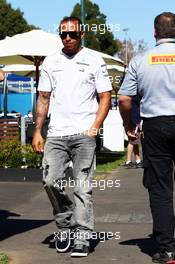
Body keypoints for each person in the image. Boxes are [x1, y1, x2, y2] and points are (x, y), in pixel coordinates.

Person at [32, 16, 112, 257]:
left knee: (82, 187)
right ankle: (65, 225)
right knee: (50, 181)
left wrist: (94, 128)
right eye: (63, 34)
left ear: (82, 34)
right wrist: (38, 130)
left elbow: (106, 96)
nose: (67, 38)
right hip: (56, 133)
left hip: (84, 134)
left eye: (72, 34)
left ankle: (83, 237)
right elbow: (44, 97)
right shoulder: (50, 61)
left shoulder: (94, 60)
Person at [118, 12, 175, 264]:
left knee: (160, 188)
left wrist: (128, 123)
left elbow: (124, 98)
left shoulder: (140, 60)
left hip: (155, 126)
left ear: (155, 33)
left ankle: (167, 248)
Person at [124, 95, 142, 168]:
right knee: (132, 140)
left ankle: (138, 160)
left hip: (132, 120)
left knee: (134, 141)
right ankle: (128, 161)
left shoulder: (129, 96)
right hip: (134, 120)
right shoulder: (135, 97)